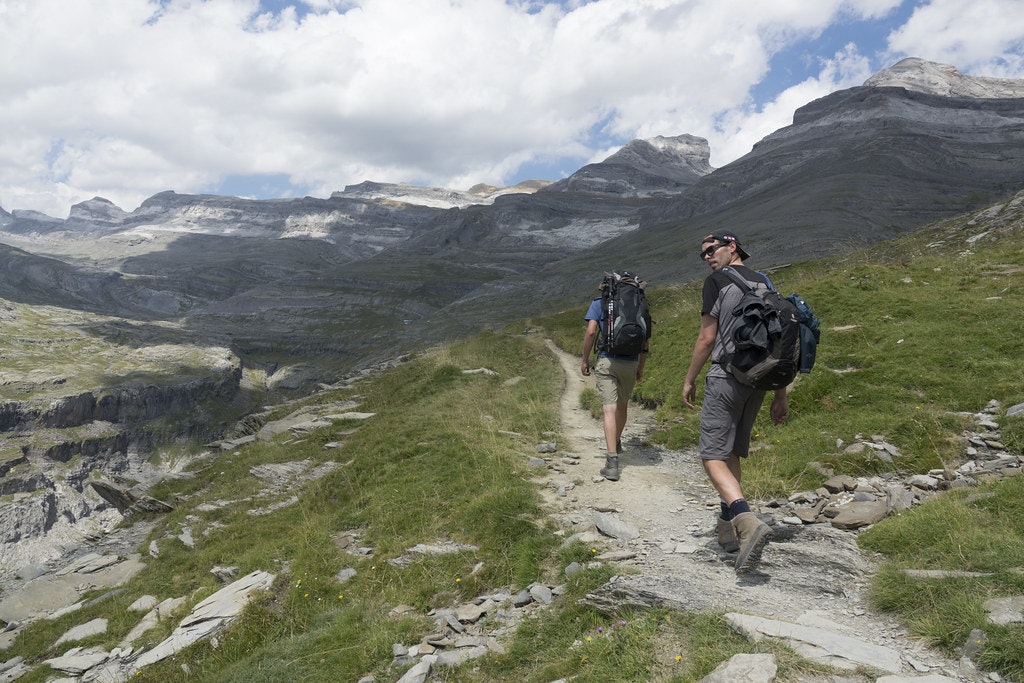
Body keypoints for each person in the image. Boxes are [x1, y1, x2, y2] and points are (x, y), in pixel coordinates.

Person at [682, 232, 790, 573]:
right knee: (730, 453)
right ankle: (729, 530)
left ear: (732, 248)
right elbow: (780, 338)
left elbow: (707, 336)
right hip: (757, 380)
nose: (708, 258)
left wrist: (689, 379)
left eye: (711, 250)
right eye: (703, 255)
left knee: (712, 455)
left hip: (725, 377)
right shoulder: (765, 282)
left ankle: (746, 520)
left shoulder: (717, 281)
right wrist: (781, 391)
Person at [581, 276, 649, 481]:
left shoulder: (599, 303)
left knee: (608, 409)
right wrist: (640, 367)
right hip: (630, 362)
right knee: (622, 406)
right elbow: (645, 340)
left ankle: (612, 462)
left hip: (607, 361)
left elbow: (591, 332)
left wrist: (585, 359)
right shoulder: (640, 305)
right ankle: (617, 441)